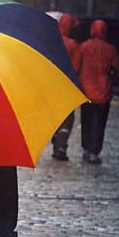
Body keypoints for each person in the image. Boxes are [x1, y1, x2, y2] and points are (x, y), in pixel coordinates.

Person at [77, 19, 119, 164]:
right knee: (99, 123)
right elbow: (117, 68)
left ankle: (86, 148)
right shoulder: (111, 49)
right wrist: (114, 82)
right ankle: (94, 152)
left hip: (86, 92)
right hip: (103, 93)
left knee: (86, 121)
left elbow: (77, 67)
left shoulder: (83, 47)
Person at [52, 14, 80, 161]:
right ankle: (61, 146)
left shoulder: (51, 42)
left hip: (52, 86)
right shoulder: (74, 45)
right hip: (67, 87)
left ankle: (56, 141)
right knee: (67, 118)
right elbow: (76, 68)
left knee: (55, 117)